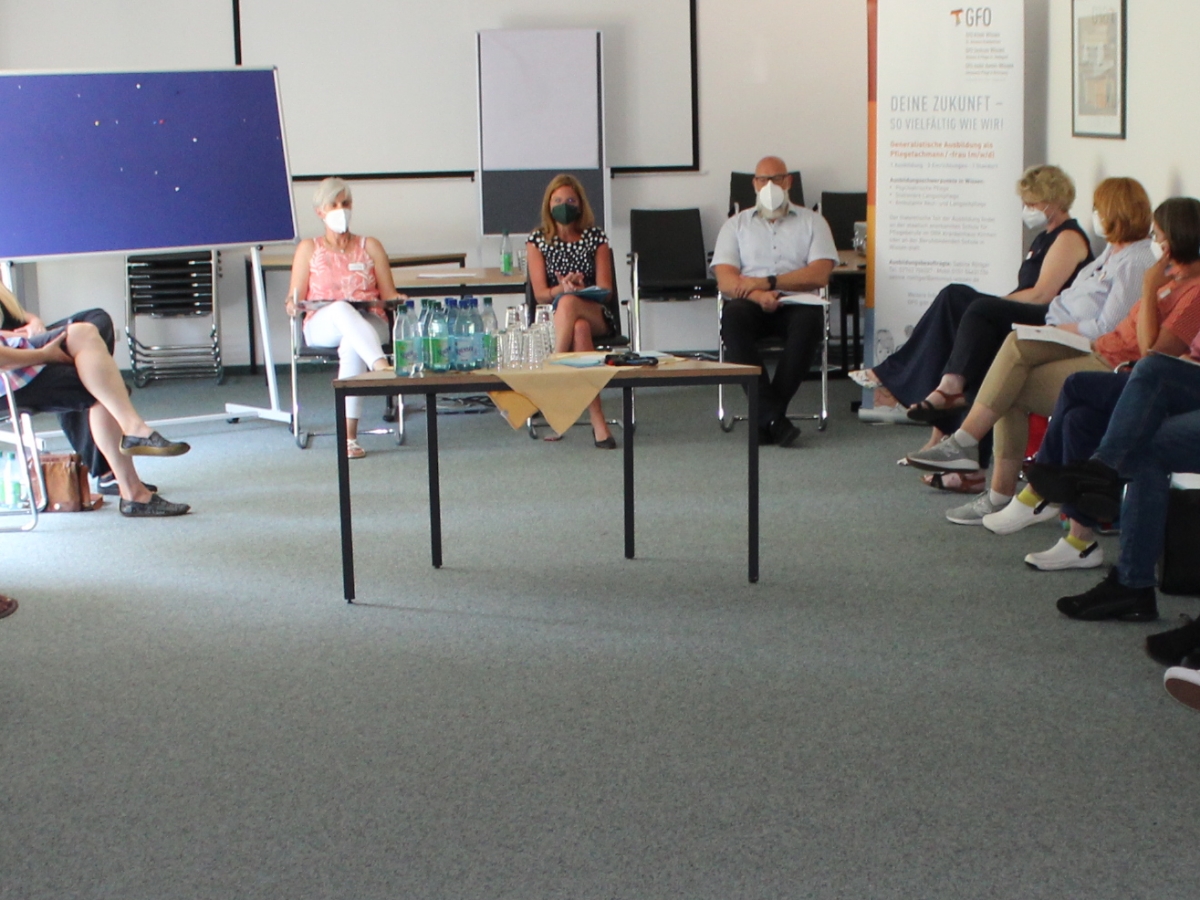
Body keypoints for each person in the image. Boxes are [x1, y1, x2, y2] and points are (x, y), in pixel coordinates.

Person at [905, 182, 1163, 526]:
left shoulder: (1138, 260)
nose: (1096, 216)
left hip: (1095, 351)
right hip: (1063, 333)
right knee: (1006, 370)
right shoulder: (1113, 251)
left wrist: (1061, 331)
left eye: (1099, 209)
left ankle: (966, 445)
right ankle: (995, 489)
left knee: (1008, 357)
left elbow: (1107, 326)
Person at [852, 165, 1092, 490]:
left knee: (965, 305)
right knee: (959, 316)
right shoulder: (1043, 237)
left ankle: (913, 383)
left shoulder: (1069, 238)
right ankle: (955, 441)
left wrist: (991, 307)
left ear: (1051, 200)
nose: (1027, 209)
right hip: (1030, 311)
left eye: (1032, 203)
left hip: (1047, 319)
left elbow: (1042, 294)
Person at [1011, 199, 1200, 570]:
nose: (1154, 244)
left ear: (1175, 239)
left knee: (1081, 385)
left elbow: (1153, 354)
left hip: (1173, 384)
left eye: (1158, 237)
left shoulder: (1192, 291)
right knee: (1081, 417)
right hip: (1158, 377)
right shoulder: (1175, 280)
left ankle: (1054, 486)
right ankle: (1079, 538)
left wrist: (1148, 288)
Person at [1, 319, 191, 516]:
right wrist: (42, 355)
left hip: (10, 357)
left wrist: (23, 334)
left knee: (84, 333)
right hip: (5, 378)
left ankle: (134, 431)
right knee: (103, 388)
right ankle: (133, 491)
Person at [713, 156, 838, 447]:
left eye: (777, 178)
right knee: (732, 319)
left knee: (809, 324)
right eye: (762, 180)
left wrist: (770, 282)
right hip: (750, 301)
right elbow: (726, 280)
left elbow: (820, 273)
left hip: (798, 300)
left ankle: (766, 417)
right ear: (754, 184)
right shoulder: (735, 225)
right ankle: (773, 418)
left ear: (789, 181)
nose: (769, 186)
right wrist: (758, 293)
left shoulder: (813, 222)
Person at [287, 177, 401, 459]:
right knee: (339, 309)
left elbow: (389, 294)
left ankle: (349, 438)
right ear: (320, 212)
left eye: (345, 203)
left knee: (352, 341)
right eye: (334, 204)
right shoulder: (308, 248)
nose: (341, 209)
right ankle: (381, 366)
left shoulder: (370, 245)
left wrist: (398, 300)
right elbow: (294, 296)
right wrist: (291, 304)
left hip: (369, 321)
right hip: (321, 323)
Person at [0, 286, 136, 495]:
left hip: (20, 343)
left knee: (96, 321)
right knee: (103, 387)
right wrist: (43, 354)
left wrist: (34, 323)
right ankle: (120, 478)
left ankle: (88, 375)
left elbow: (15, 313)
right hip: (10, 364)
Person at [526, 173, 618, 448]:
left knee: (571, 306)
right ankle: (598, 422)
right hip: (559, 319)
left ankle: (551, 380)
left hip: (596, 312)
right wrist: (562, 288)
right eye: (557, 200)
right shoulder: (537, 240)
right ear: (548, 205)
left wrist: (577, 288)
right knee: (578, 328)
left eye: (569, 200)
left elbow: (606, 289)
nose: (563, 205)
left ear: (580, 204)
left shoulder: (595, 237)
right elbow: (541, 293)